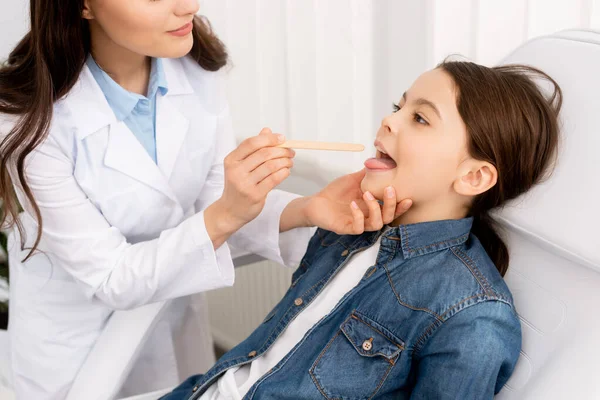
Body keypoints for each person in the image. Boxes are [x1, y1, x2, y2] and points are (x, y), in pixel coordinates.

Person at [0, 0, 412, 398]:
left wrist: (306, 208)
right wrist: (225, 212)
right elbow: (114, 276)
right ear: (83, 6)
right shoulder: (31, 123)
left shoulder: (195, 69)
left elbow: (216, 200)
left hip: (172, 322)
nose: (189, 6)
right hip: (76, 344)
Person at [161, 60, 562, 400]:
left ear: (473, 176)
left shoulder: (473, 317)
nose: (388, 120)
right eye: (398, 107)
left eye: (420, 118)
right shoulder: (346, 231)